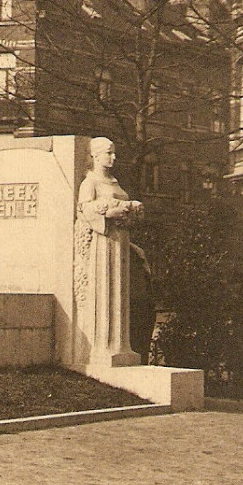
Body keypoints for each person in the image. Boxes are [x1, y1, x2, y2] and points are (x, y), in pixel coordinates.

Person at [75, 137, 143, 366]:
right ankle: (102, 348)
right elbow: (84, 209)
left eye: (114, 153)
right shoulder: (90, 181)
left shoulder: (115, 182)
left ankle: (122, 347)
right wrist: (106, 213)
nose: (113, 157)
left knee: (120, 292)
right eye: (108, 153)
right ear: (95, 155)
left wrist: (132, 208)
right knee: (105, 289)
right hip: (103, 244)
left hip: (120, 242)